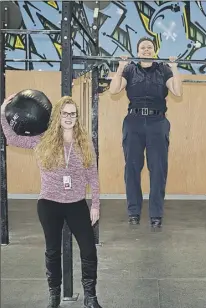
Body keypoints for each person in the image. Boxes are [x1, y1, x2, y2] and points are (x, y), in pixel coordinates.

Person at [1, 95, 103, 308]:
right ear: (57, 115)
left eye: (72, 114)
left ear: (77, 117)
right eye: (65, 113)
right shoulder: (42, 139)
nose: (69, 117)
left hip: (76, 203)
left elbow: (93, 175)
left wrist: (95, 205)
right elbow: (12, 139)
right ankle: (54, 296)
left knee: (88, 250)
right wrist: (3, 112)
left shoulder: (85, 143)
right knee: (53, 250)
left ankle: (90, 297)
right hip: (49, 203)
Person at [109, 37, 183, 228]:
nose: (146, 50)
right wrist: (120, 66)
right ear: (138, 50)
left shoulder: (163, 69)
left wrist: (174, 67)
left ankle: (156, 215)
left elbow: (177, 92)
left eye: (149, 47)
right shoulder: (130, 69)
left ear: (154, 50)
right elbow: (114, 90)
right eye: (143, 47)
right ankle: (133, 212)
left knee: (158, 169)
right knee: (132, 168)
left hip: (157, 122)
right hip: (133, 122)